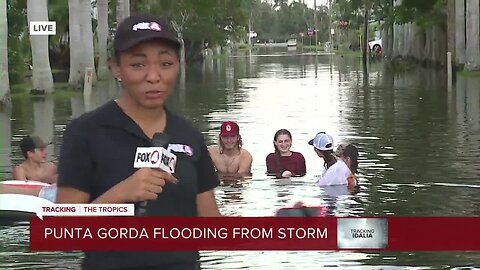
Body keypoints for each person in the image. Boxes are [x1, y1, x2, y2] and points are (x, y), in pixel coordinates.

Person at [55, 14, 221, 270]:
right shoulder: (86, 132)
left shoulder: (189, 136)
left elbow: (212, 229)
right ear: (116, 68)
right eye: (138, 65)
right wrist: (121, 194)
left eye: (166, 63)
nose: (154, 76)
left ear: (178, 65)